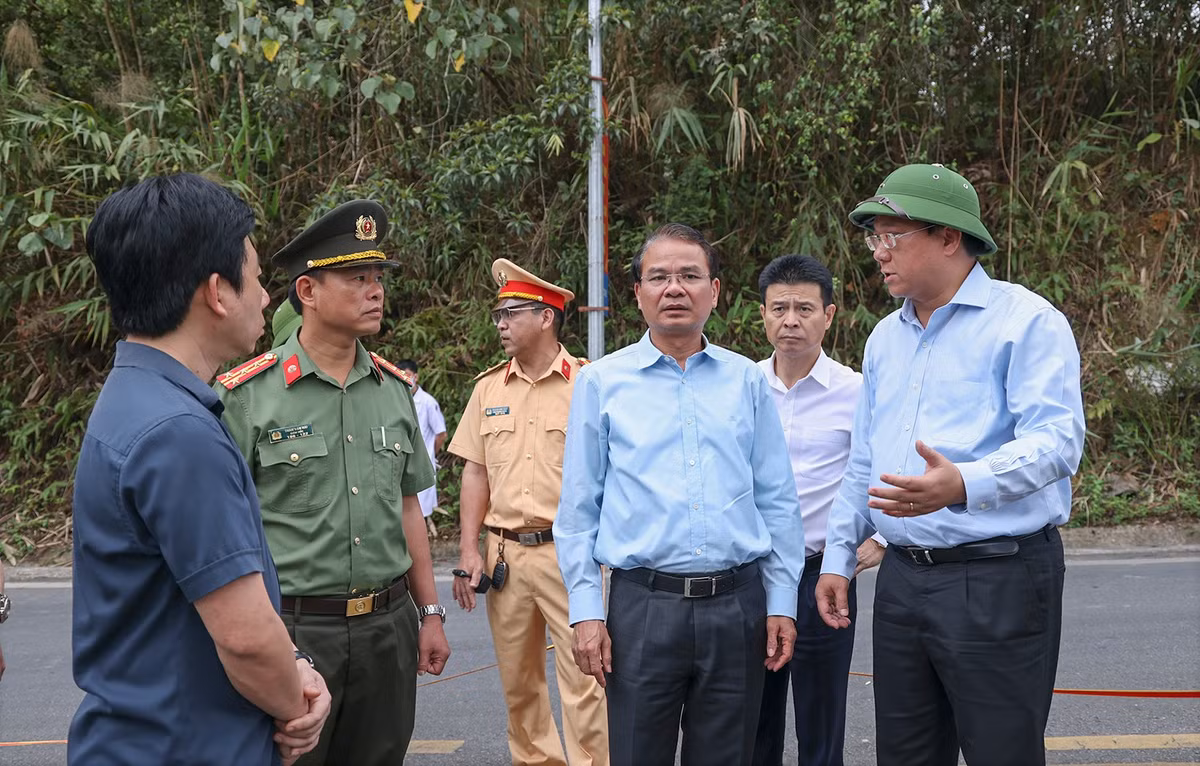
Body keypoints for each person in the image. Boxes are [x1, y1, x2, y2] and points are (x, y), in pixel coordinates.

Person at [816, 163, 1085, 766]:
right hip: (905, 580)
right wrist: (839, 556)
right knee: (906, 754)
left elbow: (1057, 440)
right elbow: (864, 459)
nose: (878, 253)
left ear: (948, 237)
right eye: (873, 239)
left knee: (1000, 752)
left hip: (998, 577)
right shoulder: (887, 337)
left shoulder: (1026, 322)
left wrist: (962, 482)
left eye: (892, 236)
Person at [70, 173, 331, 766]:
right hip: (187, 746)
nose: (268, 297)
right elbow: (245, 639)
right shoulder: (180, 434)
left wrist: (291, 668)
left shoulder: (136, 398)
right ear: (217, 292)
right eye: (259, 277)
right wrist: (298, 703)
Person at [554, 223, 806, 766]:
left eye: (690, 276)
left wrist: (782, 601)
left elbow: (778, 502)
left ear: (714, 292)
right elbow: (578, 512)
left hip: (738, 606)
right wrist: (585, 612)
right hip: (642, 610)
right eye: (659, 277)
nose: (675, 288)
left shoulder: (746, 381)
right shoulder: (601, 383)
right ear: (638, 292)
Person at [217, 199, 450, 766]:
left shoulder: (396, 392)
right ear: (308, 292)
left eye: (378, 278)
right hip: (294, 631)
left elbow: (408, 508)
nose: (375, 291)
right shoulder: (248, 396)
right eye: (355, 278)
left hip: (387, 629)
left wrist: (430, 614)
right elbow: (227, 529)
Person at [447, 259, 608, 766]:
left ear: (546, 317)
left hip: (571, 554)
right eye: (498, 314)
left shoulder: (589, 383)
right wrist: (468, 548)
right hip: (506, 558)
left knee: (586, 679)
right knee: (519, 683)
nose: (500, 324)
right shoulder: (488, 389)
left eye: (511, 313)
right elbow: (475, 472)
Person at [750, 255, 885, 766]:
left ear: (829, 315)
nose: (791, 320)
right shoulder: (743, 388)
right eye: (779, 307)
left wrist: (883, 540)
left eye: (804, 308)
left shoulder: (856, 392)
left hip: (823, 576)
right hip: (756, 575)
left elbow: (884, 467)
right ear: (762, 315)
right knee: (756, 717)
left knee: (821, 717)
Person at [396, 359, 447, 538]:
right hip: (401, 465)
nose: (405, 379)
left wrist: (429, 455)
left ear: (416, 376)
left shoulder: (427, 402)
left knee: (420, 510)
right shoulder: (397, 399)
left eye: (408, 375)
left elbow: (441, 434)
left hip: (422, 465)